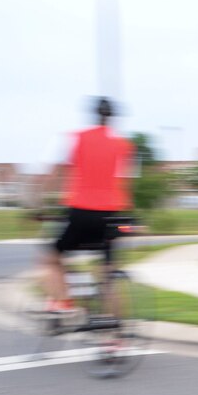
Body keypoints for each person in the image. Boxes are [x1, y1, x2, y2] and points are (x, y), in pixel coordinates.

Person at [42, 97, 134, 312]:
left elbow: (54, 173)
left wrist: (40, 204)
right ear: (112, 118)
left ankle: (63, 301)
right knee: (108, 271)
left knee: (52, 257)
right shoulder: (125, 146)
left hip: (82, 212)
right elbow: (127, 181)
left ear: (94, 115)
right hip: (112, 215)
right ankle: (117, 330)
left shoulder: (76, 138)